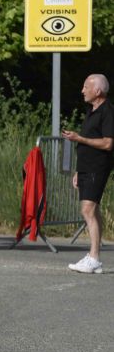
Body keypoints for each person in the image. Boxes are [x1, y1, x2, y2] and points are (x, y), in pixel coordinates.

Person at [62, 74, 113, 274]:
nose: (82, 91)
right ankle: (94, 257)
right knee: (93, 211)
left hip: (97, 167)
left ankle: (94, 257)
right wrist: (78, 170)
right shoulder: (91, 110)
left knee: (87, 210)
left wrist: (80, 139)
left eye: (86, 87)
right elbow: (88, 140)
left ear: (98, 91)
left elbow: (108, 143)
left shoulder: (107, 111)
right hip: (86, 166)